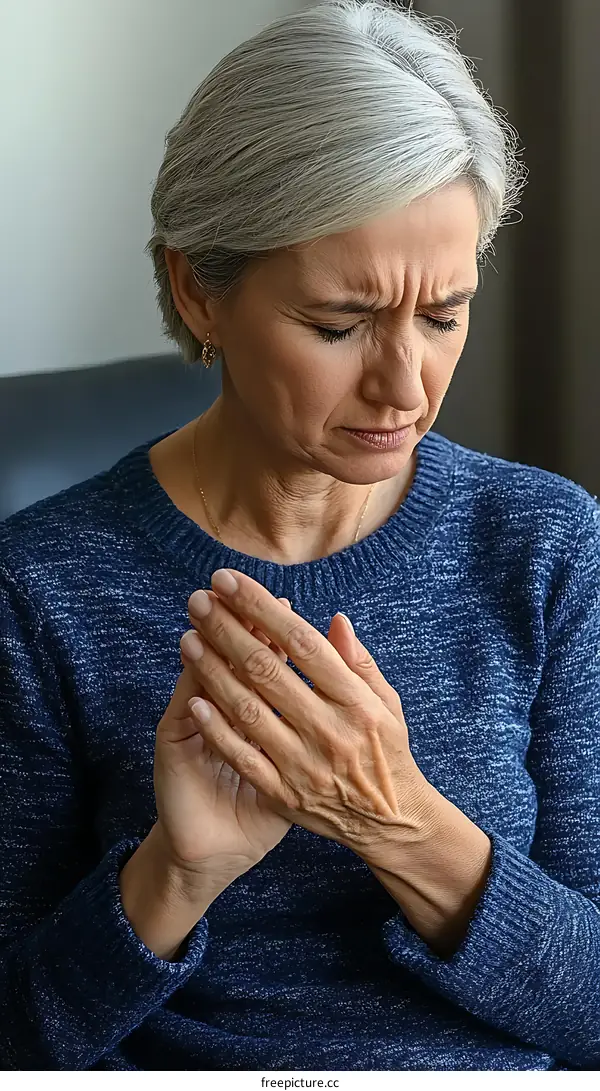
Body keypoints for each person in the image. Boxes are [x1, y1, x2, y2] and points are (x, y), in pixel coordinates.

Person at [0, 0, 598, 1073]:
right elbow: (19, 1035)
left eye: (444, 313)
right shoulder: (44, 585)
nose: (405, 383)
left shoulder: (547, 546)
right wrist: (172, 873)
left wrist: (398, 819)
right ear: (201, 289)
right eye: (341, 324)